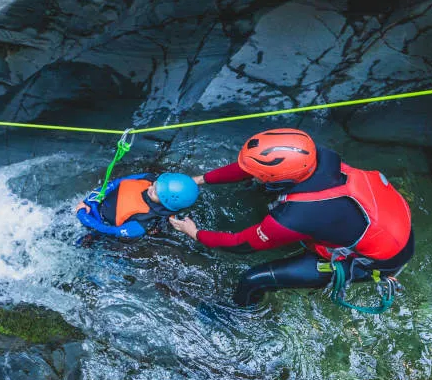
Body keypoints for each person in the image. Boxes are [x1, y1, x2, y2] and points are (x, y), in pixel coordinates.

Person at [169, 128, 414, 307]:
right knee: (261, 191)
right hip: (384, 222)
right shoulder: (315, 156)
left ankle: (239, 316)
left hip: (378, 260)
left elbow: (240, 245)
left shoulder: (294, 217)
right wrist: (199, 180)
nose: (251, 174)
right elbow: (248, 168)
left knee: (252, 279)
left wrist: (194, 232)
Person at [76, 173, 199, 239]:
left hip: (100, 224)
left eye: (155, 191)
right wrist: (89, 201)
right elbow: (116, 183)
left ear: (166, 201)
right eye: (155, 184)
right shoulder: (148, 178)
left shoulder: (143, 223)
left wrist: (84, 216)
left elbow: (109, 231)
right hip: (95, 207)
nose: (150, 187)